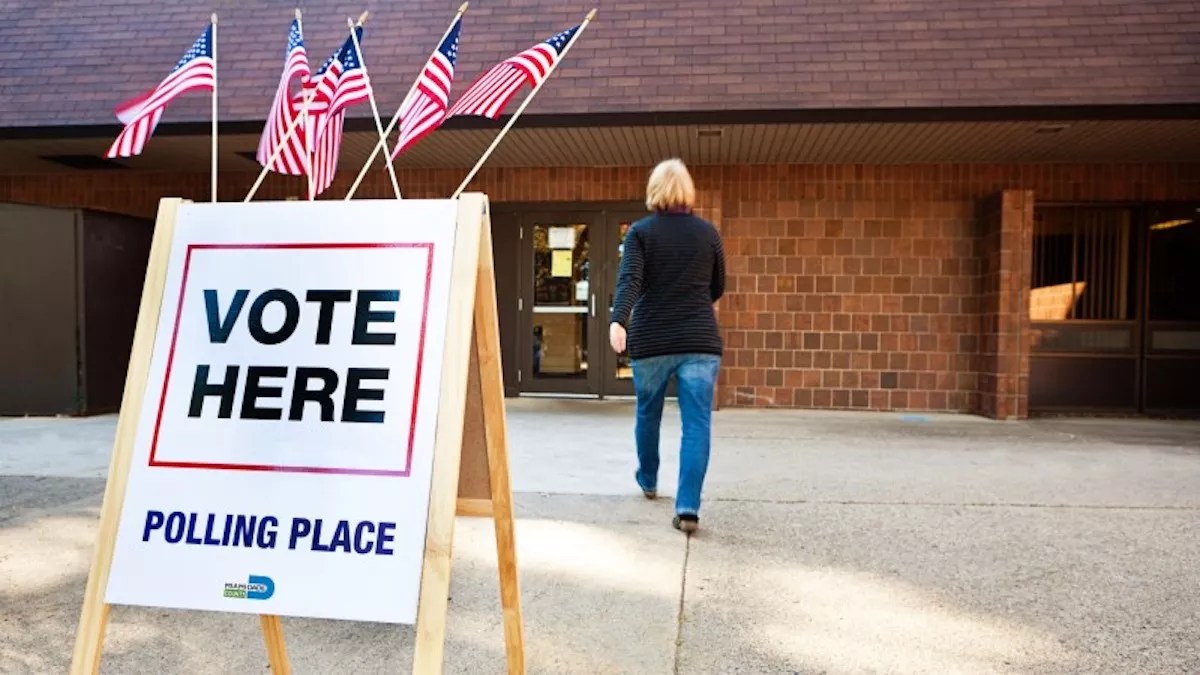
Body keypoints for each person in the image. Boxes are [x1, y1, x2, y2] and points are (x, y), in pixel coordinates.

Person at [609, 158, 725, 534]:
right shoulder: (707, 233)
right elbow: (717, 286)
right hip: (699, 340)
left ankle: (648, 478)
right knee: (697, 424)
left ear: (654, 189)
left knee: (648, 413)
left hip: (653, 338)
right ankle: (688, 506)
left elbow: (630, 281)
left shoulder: (641, 232)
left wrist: (618, 320)